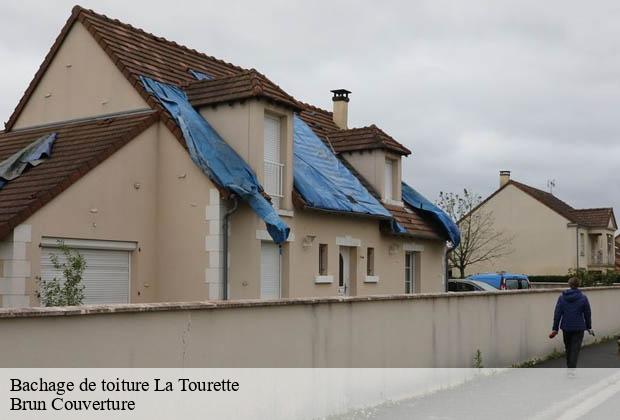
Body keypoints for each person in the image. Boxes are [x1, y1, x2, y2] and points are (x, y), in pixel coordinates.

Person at [548, 277, 593, 369]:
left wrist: (555, 329)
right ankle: (571, 370)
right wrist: (588, 327)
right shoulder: (583, 298)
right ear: (578, 285)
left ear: (569, 284)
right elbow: (587, 314)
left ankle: (570, 368)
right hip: (579, 328)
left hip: (566, 327)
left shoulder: (562, 298)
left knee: (568, 349)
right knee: (575, 350)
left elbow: (557, 314)